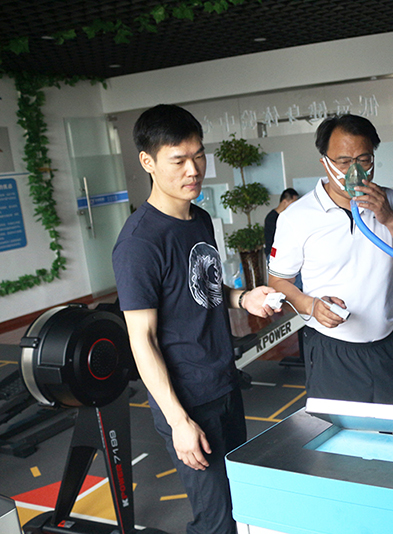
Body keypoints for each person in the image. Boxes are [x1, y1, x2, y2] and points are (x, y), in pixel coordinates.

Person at [112, 104, 279, 534]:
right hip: (187, 400)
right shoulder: (139, 244)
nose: (194, 169)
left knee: (240, 503)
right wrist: (178, 420)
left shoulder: (200, 218)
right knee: (215, 522)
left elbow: (202, 288)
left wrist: (243, 298)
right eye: (178, 160)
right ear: (148, 162)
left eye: (199, 155)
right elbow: (142, 339)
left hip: (223, 382)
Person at [267, 114, 393, 404]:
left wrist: (390, 219)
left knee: (391, 428)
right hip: (331, 350)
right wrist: (311, 306)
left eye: (364, 159)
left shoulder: (389, 201)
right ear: (325, 162)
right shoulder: (297, 217)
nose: (355, 171)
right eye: (344, 162)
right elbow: (278, 282)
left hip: (387, 346)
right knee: (340, 432)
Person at [263, 187, 299, 263]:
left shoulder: (286, 216)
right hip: (274, 254)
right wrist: (273, 257)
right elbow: (275, 241)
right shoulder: (272, 218)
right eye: (293, 203)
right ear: (285, 202)